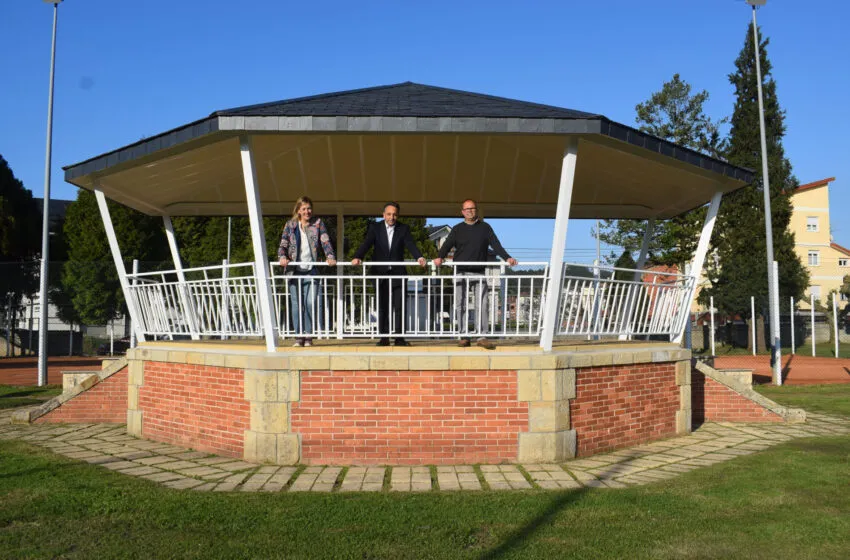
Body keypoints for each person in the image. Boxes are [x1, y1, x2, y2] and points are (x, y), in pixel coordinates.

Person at [433, 199, 518, 348]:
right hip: (461, 272)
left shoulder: (485, 228)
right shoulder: (457, 229)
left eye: (472, 208)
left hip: (479, 272)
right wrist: (440, 256)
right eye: (466, 209)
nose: (469, 211)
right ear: (462, 212)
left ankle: (482, 336)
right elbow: (447, 245)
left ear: (476, 210)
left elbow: (496, 244)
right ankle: (464, 336)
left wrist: (507, 257)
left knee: (483, 304)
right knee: (460, 305)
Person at [352, 202, 426, 346]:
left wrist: (419, 257)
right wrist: (358, 256)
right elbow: (367, 243)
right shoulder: (375, 228)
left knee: (399, 306)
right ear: (383, 214)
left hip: (398, 273)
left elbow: (410, 244)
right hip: (380, 273)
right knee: (383, 305)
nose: (392, 217)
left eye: (395, 214)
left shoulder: (403, 229)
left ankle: (399, 338)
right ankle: (384, 338)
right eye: (389, 214)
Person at [278, 196, 336, 347]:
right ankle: (299, 337)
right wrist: (282, 257)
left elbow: (325, 241)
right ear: (298, 211)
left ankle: (308, 335)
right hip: (294, 271)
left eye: (309, 208)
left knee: (310, 302)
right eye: (303, 209)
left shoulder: (317, 224)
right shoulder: (290, 225)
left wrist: (330, 256)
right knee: (297, 304)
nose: (307, 211)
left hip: (311, 270)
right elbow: (283, 243)